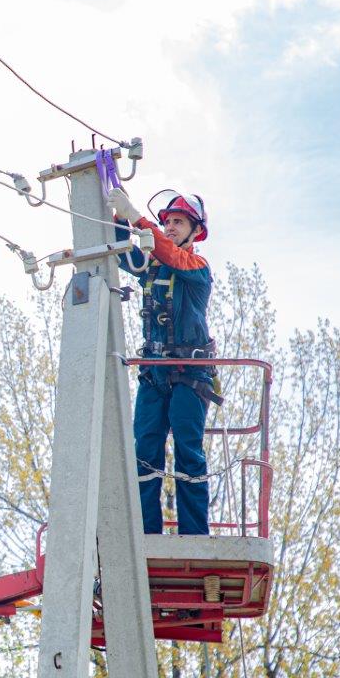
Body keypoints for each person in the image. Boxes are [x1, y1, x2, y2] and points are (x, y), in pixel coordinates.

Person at [107, 188, 218, 536]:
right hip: (154, 373)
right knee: (145, 452)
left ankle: (195, 536)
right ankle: (146, 534)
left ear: (194, 231)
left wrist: (137, 217)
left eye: (178, 222)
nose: (169, 227)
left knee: (188, 452)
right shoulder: (151, 267)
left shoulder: (196, 268)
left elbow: (170, 255)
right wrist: (117, 218)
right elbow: (123, 254)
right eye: (167, 221)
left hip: (189, 374)